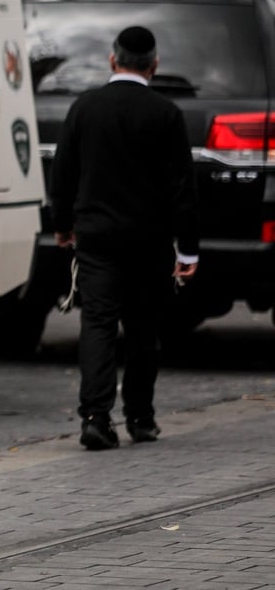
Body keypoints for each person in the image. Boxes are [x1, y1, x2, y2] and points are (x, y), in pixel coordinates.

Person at [49, 25, 199, 451]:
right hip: (150, 241)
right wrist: (187, 248)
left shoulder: (85, 108)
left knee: (97, 323)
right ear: (154, 65)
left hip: (96, 238)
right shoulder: (166, 114)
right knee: (143, 327)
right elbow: (182, 190)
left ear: (112, 60)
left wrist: (62, 224)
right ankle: (141, 416)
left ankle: (96, 417)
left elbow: (63, 173)